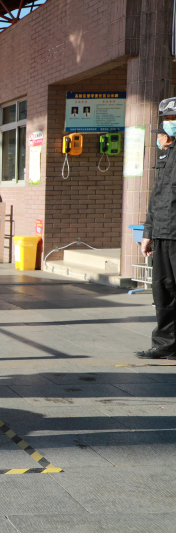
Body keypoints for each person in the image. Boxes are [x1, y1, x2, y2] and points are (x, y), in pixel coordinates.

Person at [136, 97, 176, 360]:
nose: (167, 125)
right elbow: (156, 197)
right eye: (166, 120)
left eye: (172, 119)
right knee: (163, 291)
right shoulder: (165, 155)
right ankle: (166, 344)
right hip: (162, 231)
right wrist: (148, 233)